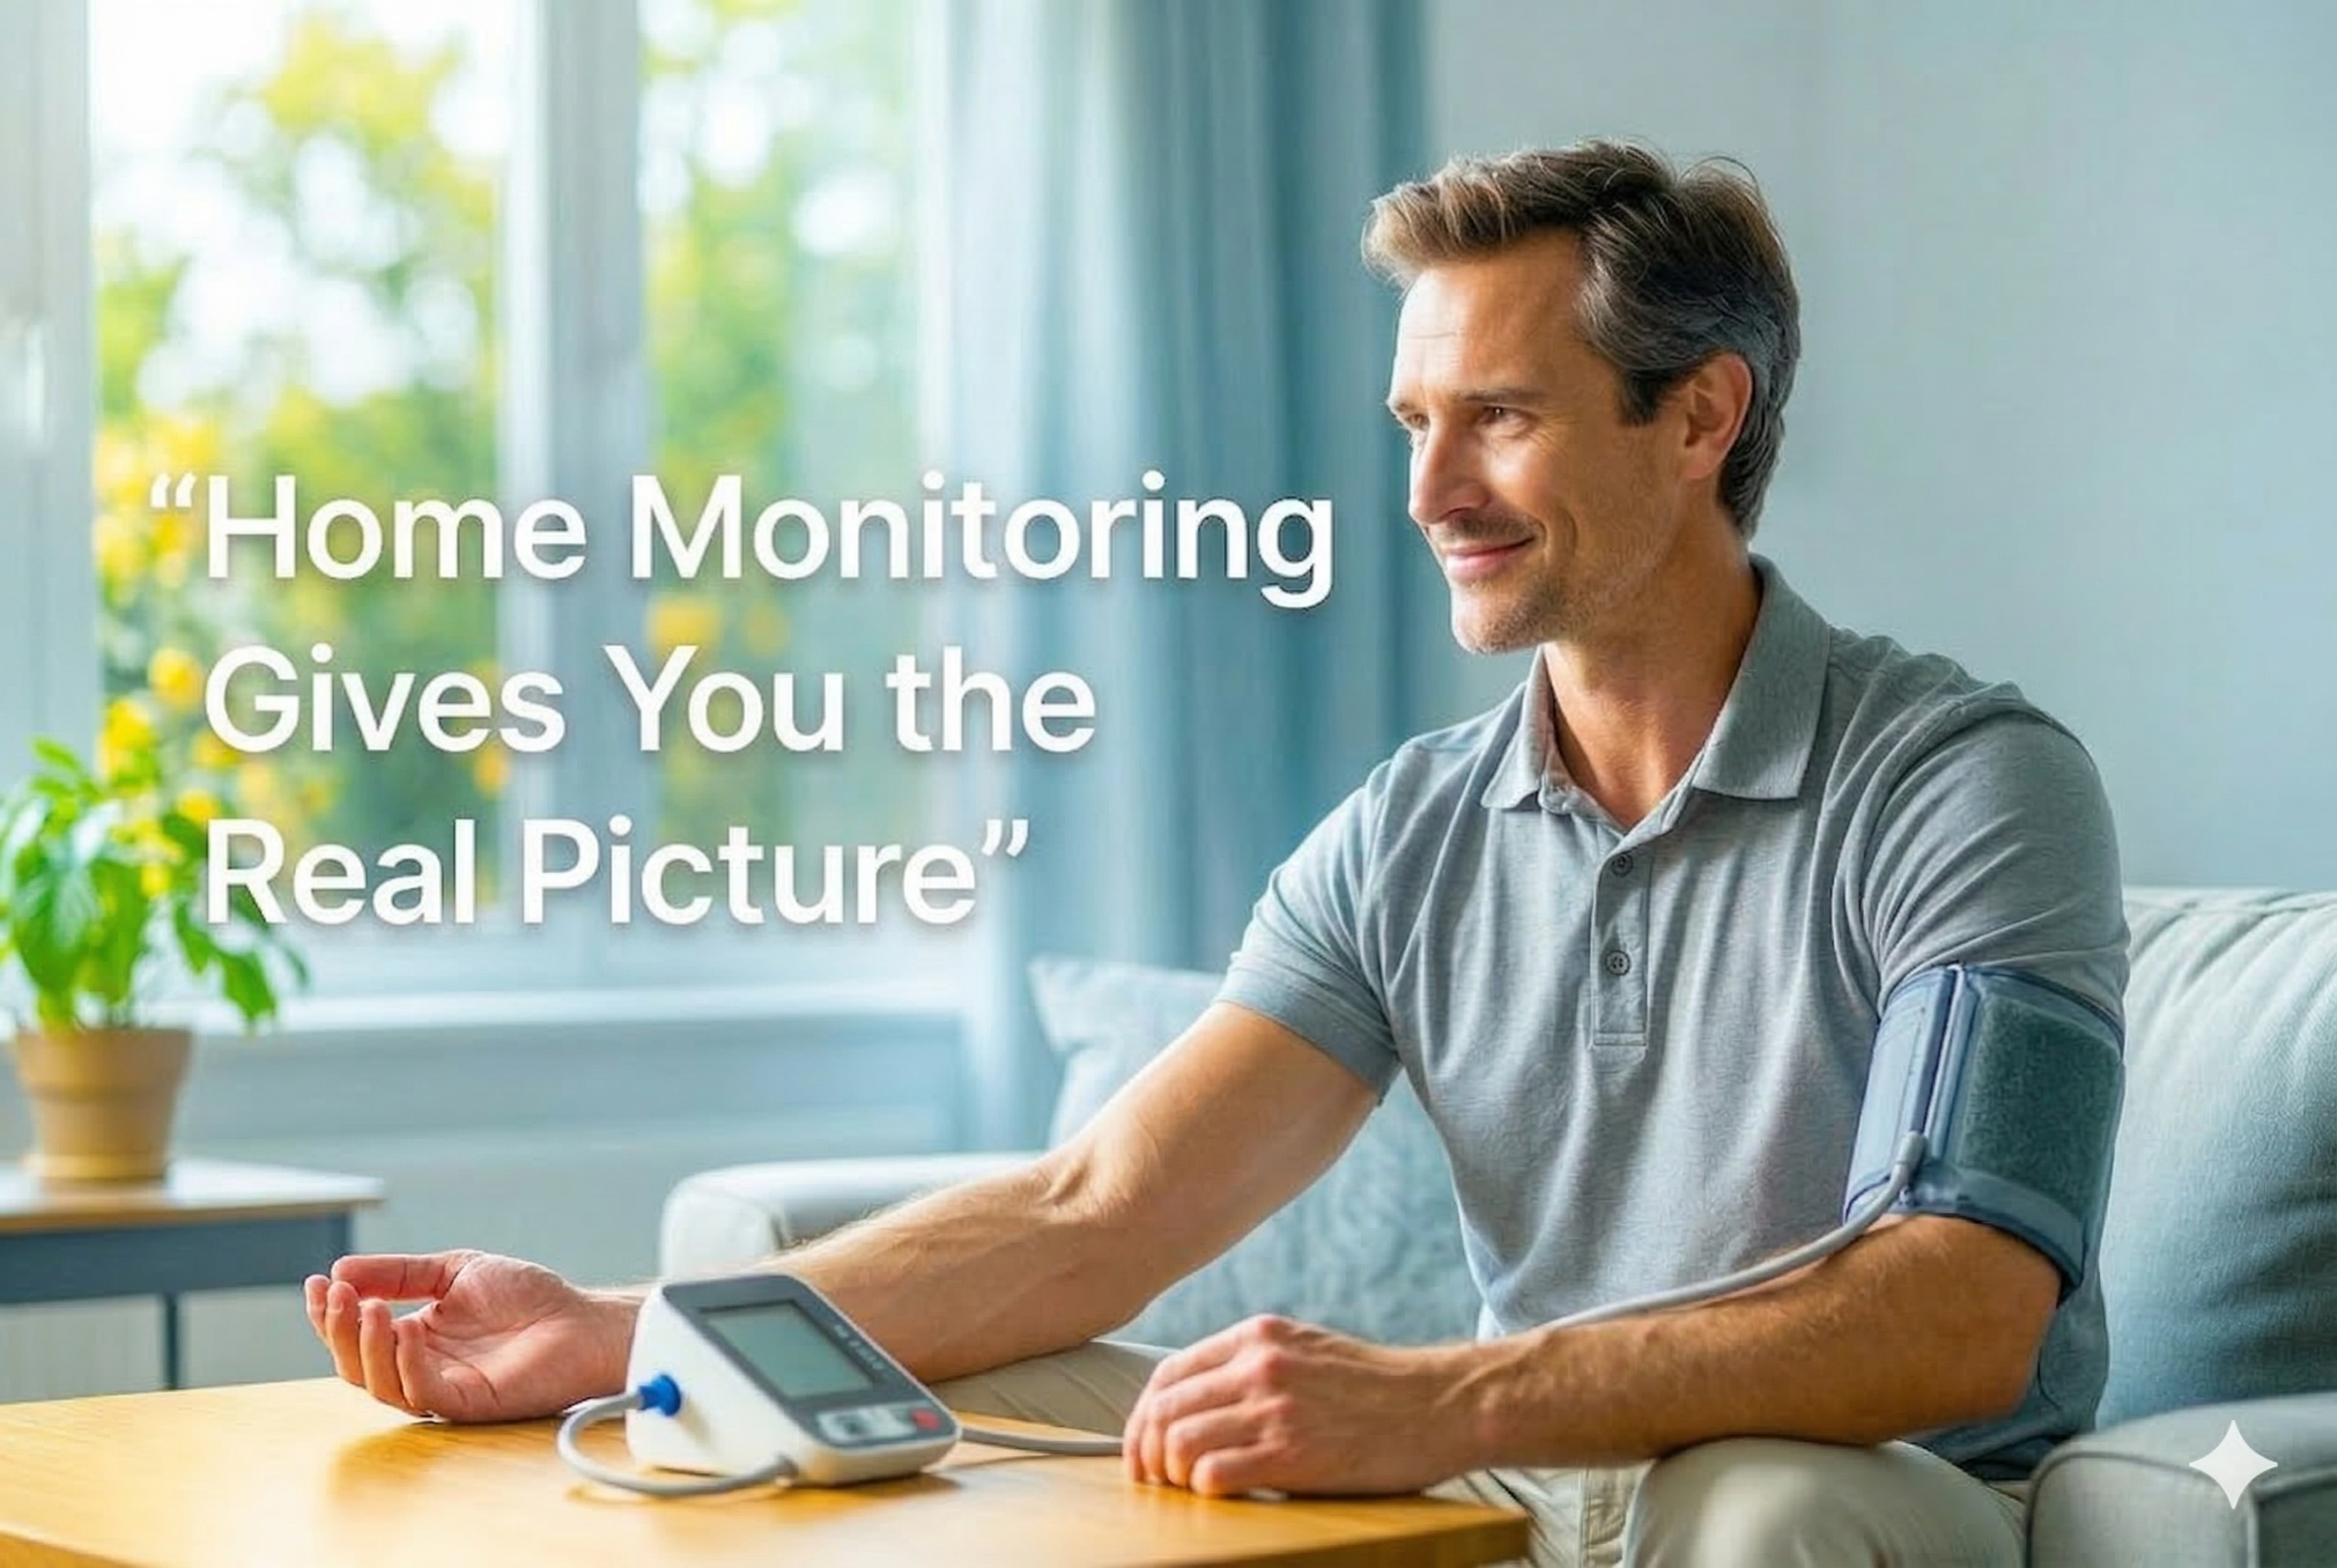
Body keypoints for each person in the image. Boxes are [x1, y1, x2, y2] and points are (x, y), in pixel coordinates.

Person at [307, 141, 2125, 1568]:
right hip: (1518, 1466)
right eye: (1417, 423)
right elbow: (1098, 1208)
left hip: (1862, 1485)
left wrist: (1428, 1397)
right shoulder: (1416, 830)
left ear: (1701, 414)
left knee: (1757, 1513)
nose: (1428, 493)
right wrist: (619, 1326)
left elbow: (1956, 1306)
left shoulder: (1963, 783)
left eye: (1499, 413)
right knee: (928, 1399)